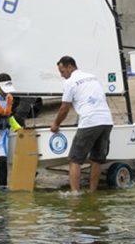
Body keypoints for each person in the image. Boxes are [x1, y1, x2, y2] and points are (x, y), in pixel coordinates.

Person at [50, 56, 114, 193]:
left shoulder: (70, 82)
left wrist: (55, 124)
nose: (62, 75)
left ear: (70, 67)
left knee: (75, 159)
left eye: (62, 71)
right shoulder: (93, 77)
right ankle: (92, 193)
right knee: (97, 159)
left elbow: (64, 108)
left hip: (89, 122)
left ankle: (75, 194)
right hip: (106, 120)